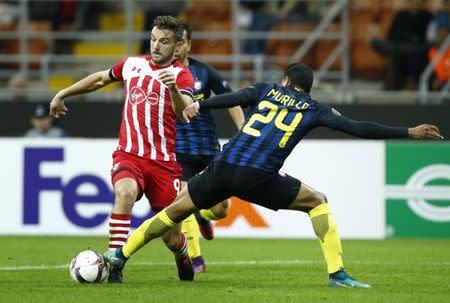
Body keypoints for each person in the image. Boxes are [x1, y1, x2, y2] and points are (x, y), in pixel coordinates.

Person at [103, 63, 443, 288]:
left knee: (173, 212)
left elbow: (230, 98)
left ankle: (120, 255)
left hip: (222, 167)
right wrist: (409, 131)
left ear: (286, 81)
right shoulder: (314, 109)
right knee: (318, 202)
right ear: (306, 88)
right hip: (258, 178)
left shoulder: (266, 89)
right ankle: (337, 274)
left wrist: (197, 105)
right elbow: (358, 128)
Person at [50, 16, 195, 284]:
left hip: (163, 163)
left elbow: (184, 111)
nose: (156, 46)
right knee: (124, 192)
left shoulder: (181, 75)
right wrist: (63, 93)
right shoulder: (132, 64)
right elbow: (99, 79)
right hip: (129, 154)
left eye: (164, 41)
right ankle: (116, 265)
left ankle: (182, 252)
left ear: (176, 47)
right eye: (153, 39)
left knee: (171, 237)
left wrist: (172, 88)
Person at [175, 22, 245, 273]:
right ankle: (196, 260)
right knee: (183, 202)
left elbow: (233, 100)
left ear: (189, 44)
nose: (176, 46)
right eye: (173, 40)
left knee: (221, 209)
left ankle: (203, 216)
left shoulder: (203, 73)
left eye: (181, 41)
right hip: (178, 150)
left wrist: (243, 130)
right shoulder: (159, 72)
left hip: (208, 149)